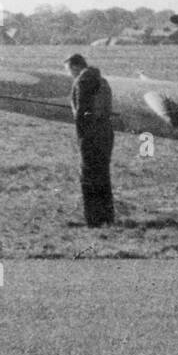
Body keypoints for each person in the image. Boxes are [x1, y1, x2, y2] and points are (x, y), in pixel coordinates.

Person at [65, 53, 115, 226]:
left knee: (89, 176)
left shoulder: (83, 81)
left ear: (75, 67)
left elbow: (82, 113)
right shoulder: (102, 80)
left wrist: (82, 137)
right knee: (103, 175)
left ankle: (93, 219)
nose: (70, 74)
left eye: (70, 70)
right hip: (106, 132)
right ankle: (107, 217)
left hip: (91, 134)